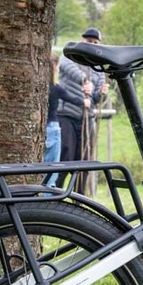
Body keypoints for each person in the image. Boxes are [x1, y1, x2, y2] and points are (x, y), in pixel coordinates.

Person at [58, 27, 108, 163]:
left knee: (85, 159)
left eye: (95, 42)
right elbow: (68, 68)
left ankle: (81, 178)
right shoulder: (69, 56)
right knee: (65, 157)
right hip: (66, 115)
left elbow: (96, 99)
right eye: (89, 41)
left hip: (87, 118)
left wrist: (102, 93)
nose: (91, 44)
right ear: (82, 40)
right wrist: (85, 80)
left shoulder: (98, 67)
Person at [45, 47, 82, 186]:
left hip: (42, 128)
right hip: (53, 127)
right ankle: (49, 195)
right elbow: (71, 98)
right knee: (52, 167)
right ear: (54, 67)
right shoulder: (55, 87)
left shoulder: (41, 88)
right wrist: (85, 101)